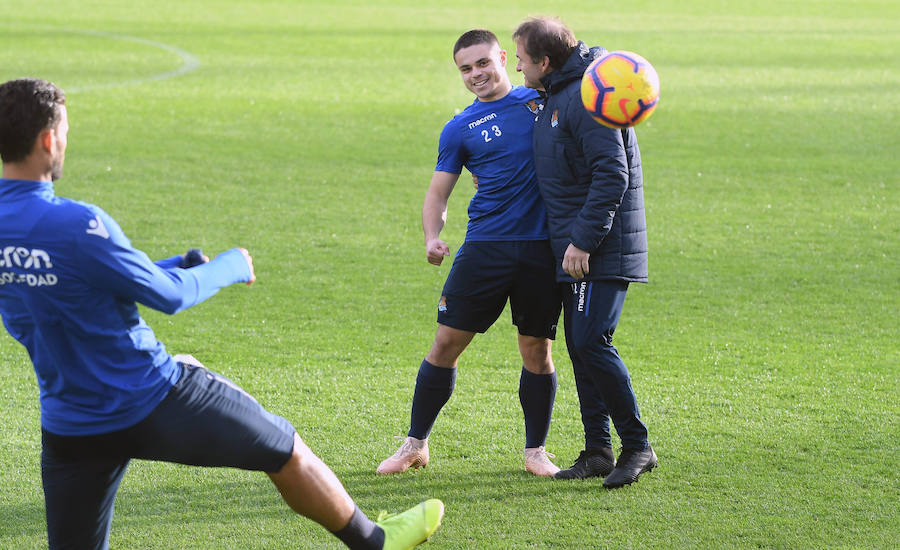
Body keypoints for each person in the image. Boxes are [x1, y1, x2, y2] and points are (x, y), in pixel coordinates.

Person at [0, 77, 443, 550]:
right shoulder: (77, 222)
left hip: (71, 422)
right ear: (49, 139)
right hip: (153, 397)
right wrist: (231, 266)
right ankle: (374, 541)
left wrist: (169, 264)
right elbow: (168, 297)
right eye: (64, 132)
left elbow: (63, 280)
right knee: (286, 449)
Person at [376, 29, 563, 477]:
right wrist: (431, 237)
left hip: (543, 250)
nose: (475, 74)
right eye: (465, 68)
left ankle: (535, 452)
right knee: (445, 344)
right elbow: (438, 194)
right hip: (485, 248)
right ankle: (415, 443)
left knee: (536, 350)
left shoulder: (545, 101)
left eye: (483, 63)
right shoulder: (459, 127)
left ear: (504, 57)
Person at [512, 18, 658, 488]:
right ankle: (598, 449)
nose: (517, 67)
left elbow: (611, 175)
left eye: (521, 59)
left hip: (598, 248)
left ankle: (637, 447)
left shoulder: (588, 96)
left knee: (593, 342)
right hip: (575, 247)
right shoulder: (560, 93)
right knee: (580, 346)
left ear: (545, 62)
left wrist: (583, 241)